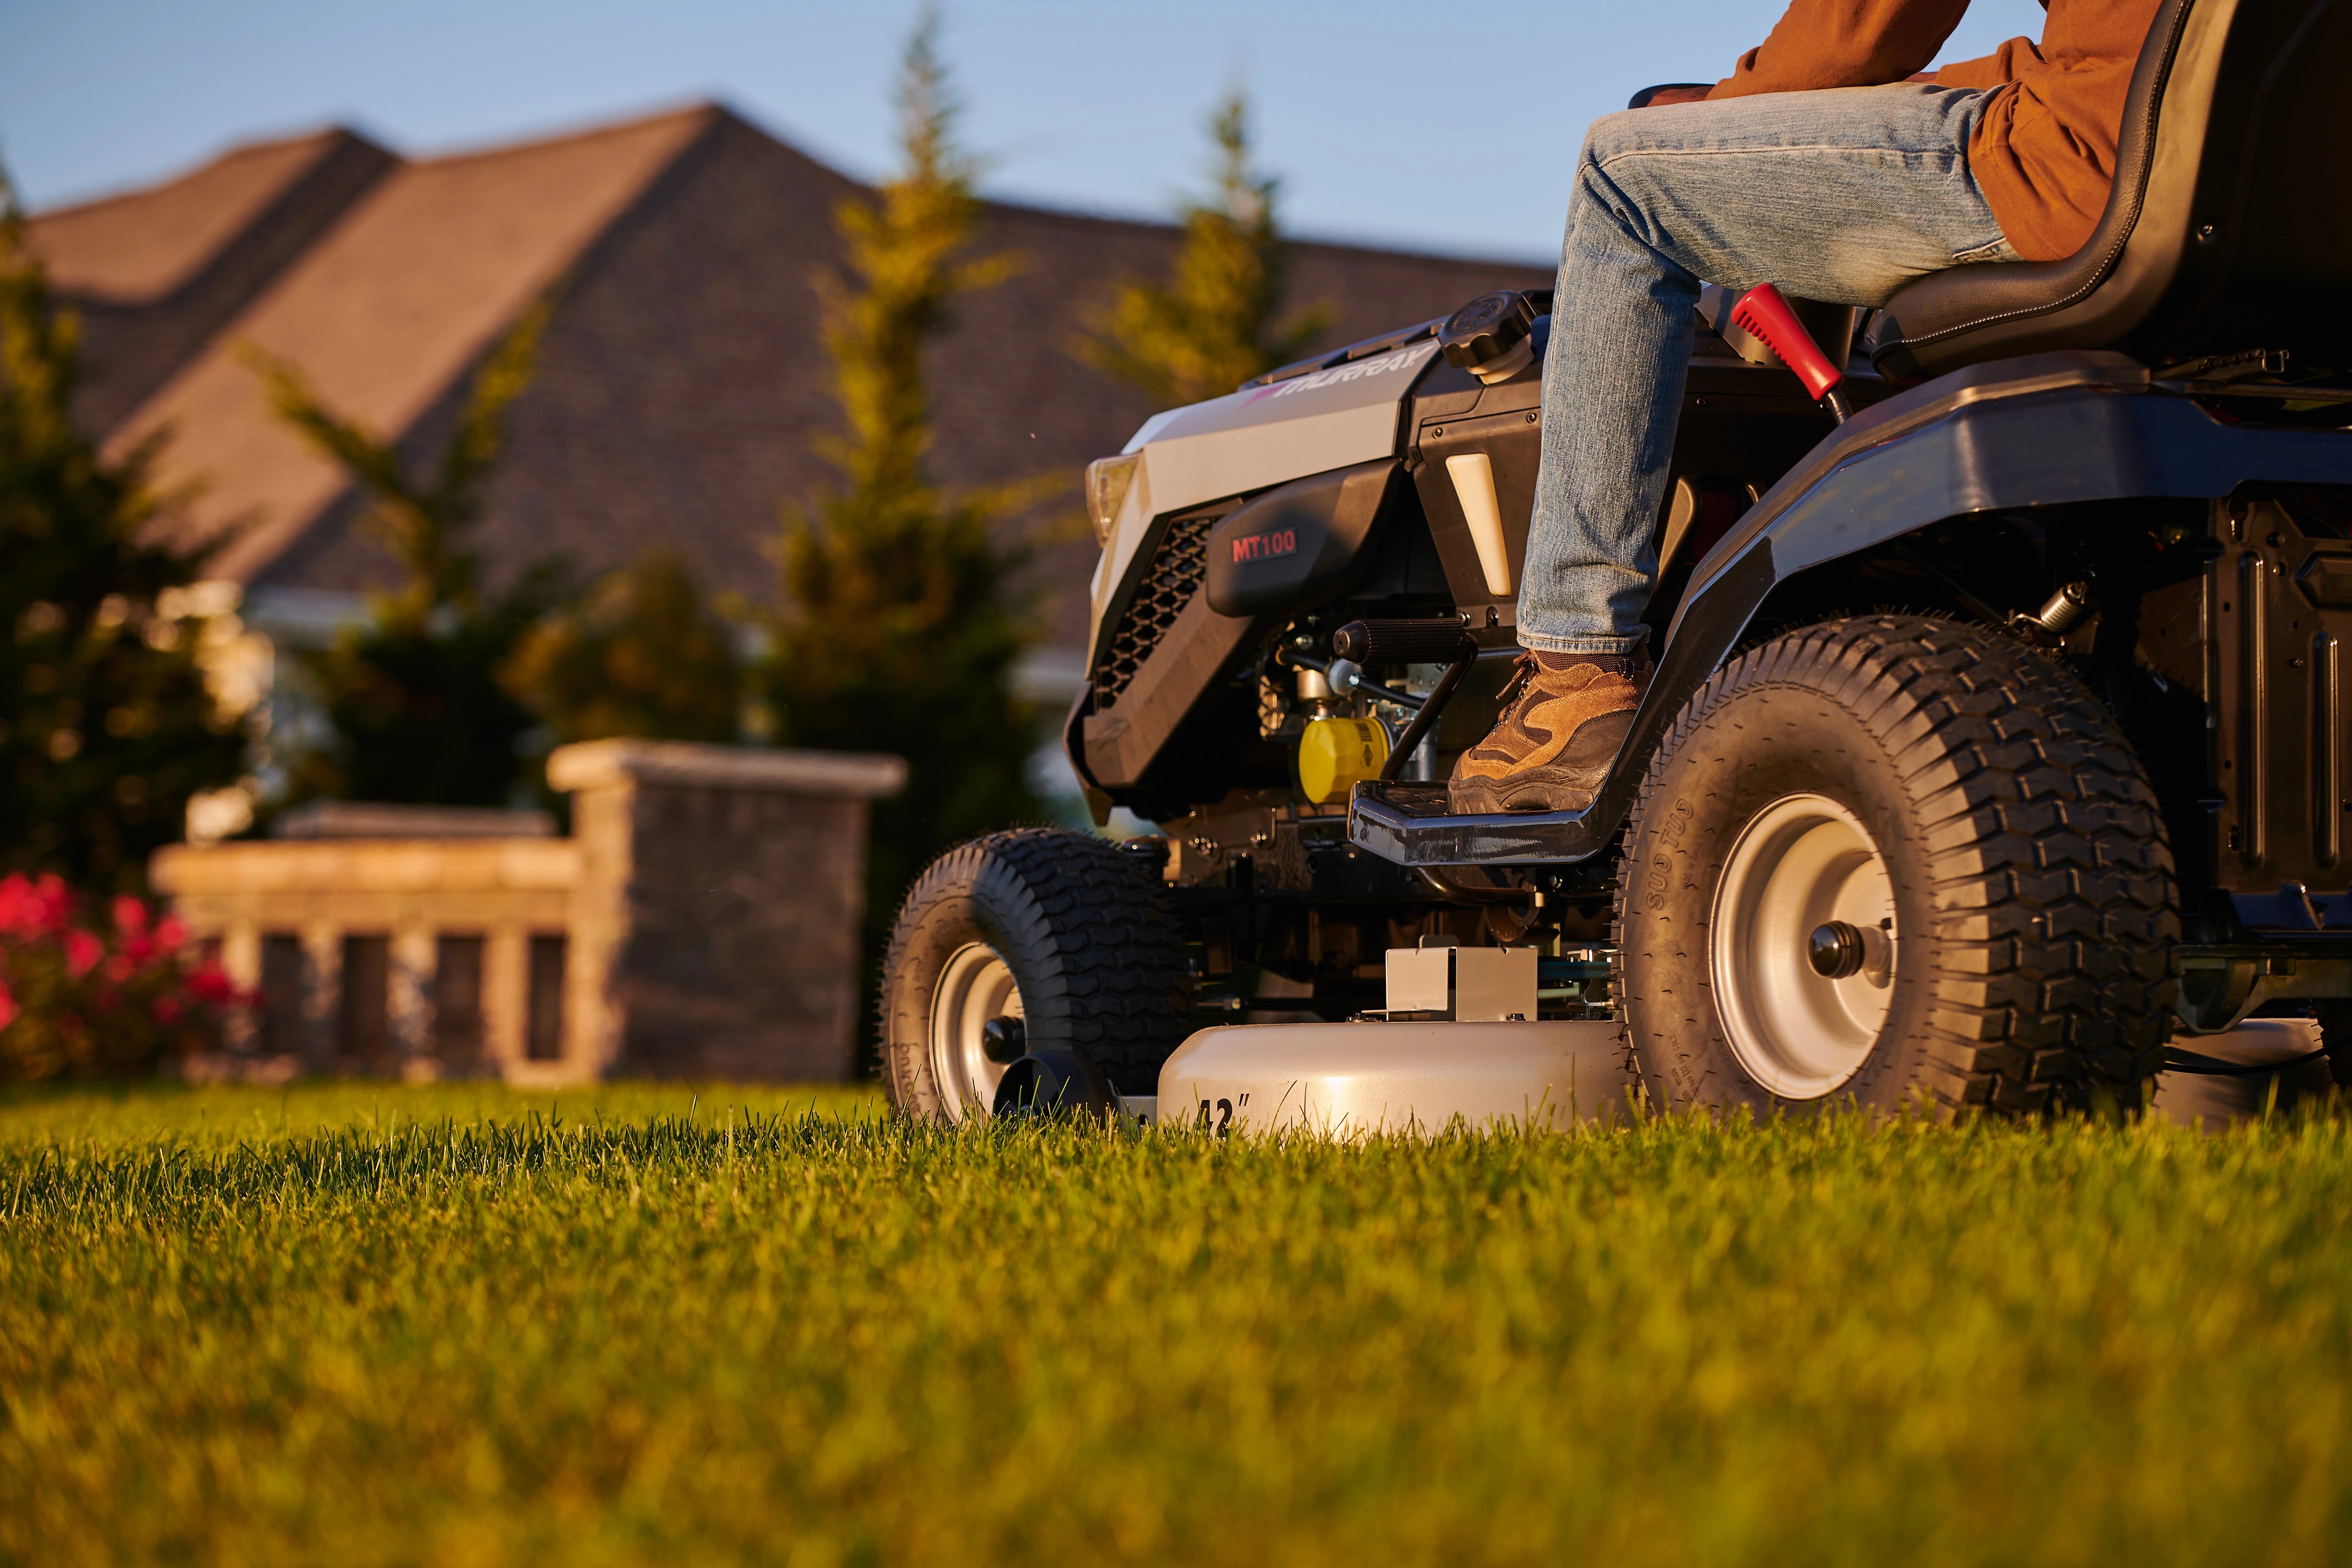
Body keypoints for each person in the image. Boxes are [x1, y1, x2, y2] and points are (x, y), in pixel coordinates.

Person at [1448, 0, 2165, 814]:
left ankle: (1577, 669)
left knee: (1620, 173)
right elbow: (2121, 53)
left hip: (2076, 169)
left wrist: (1735, 106)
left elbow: (1869, 19)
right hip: (2230, 178)